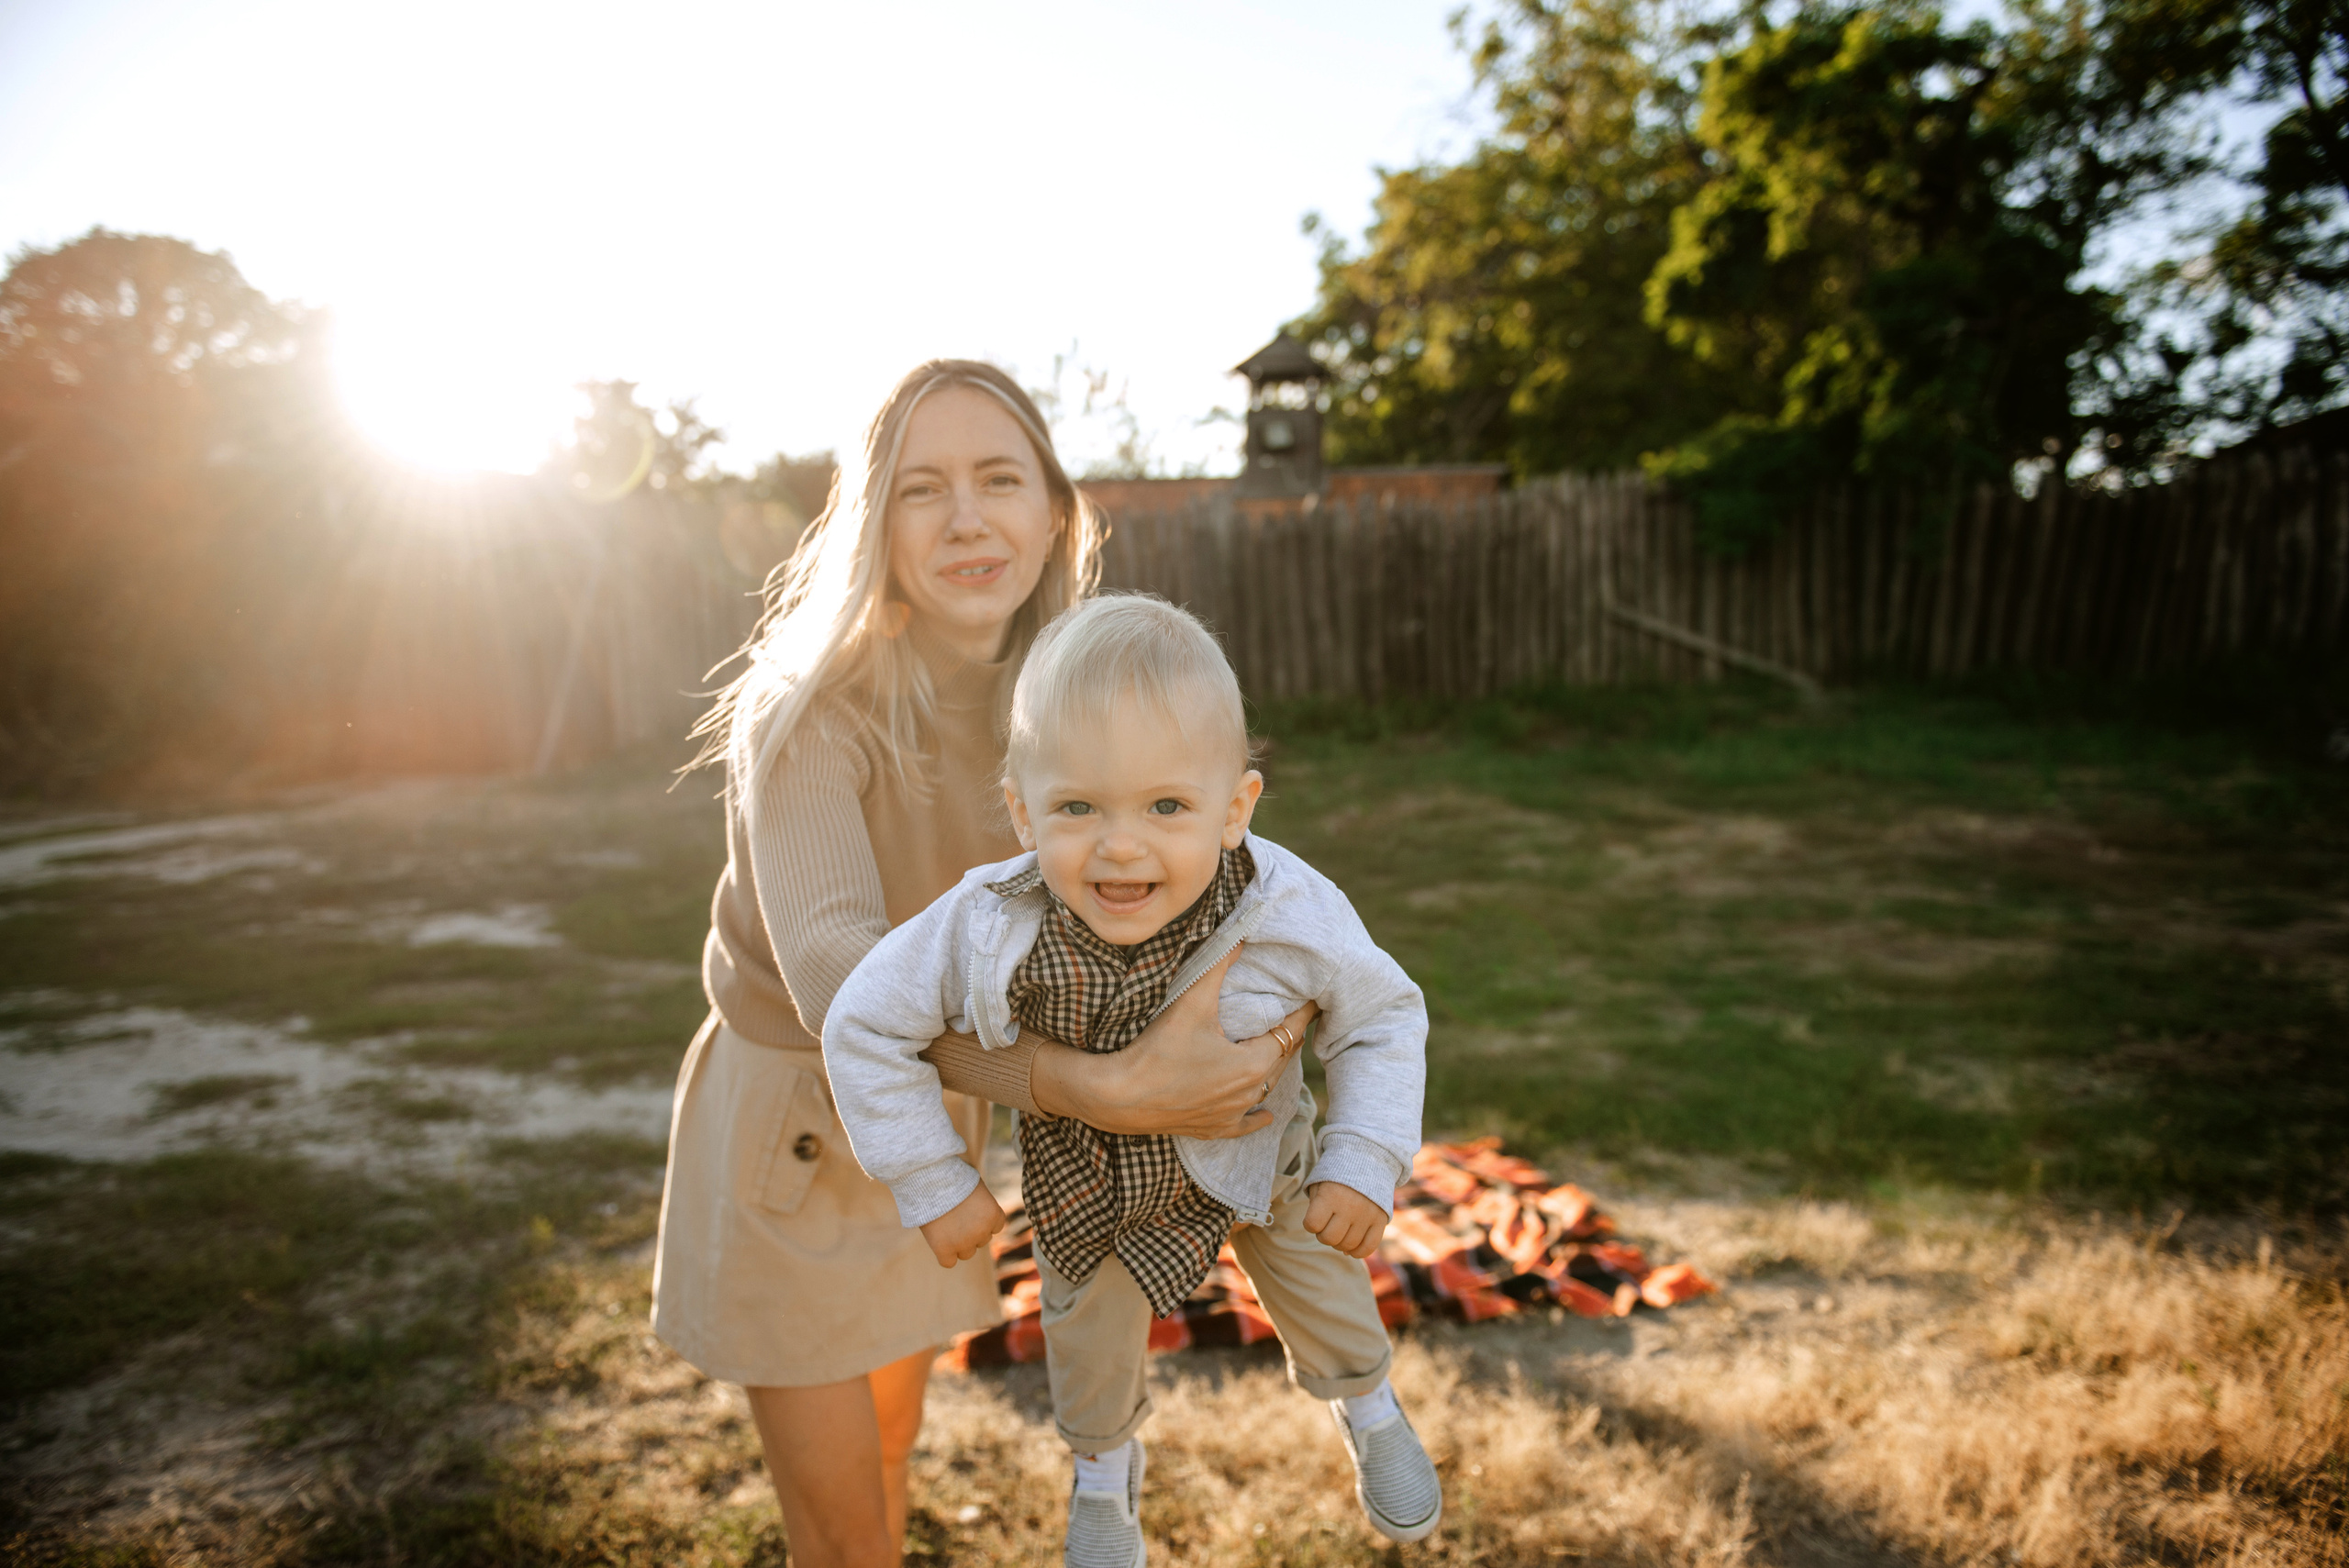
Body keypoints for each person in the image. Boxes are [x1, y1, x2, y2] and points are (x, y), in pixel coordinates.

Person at [651, 361, 1318, 1568]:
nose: (966, 518)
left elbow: (1150, 860)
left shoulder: (1060, 701)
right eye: (923, 489)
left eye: (999, 479)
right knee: (841, 1541)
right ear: (874, 521)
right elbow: (840, 979)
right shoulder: (809, 704)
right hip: (796, 1129)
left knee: (890, 1455)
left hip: (942, 1110)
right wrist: (1090, 1086)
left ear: (1055, 511)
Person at [823, 594, 1444, 1566]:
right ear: (1022, 810)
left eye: (1166, 806)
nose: (1121, 844)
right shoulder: (985, 919)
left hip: (1256, 1156)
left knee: (1325, 1281)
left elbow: (1382, 1014)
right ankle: (1104, 1474)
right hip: (1091, 1186)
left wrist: (1363, 1156)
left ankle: (1367, 1403)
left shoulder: (1287, 904)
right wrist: (932, 1177)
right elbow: (862, 1021)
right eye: (1078, 807)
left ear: (1234, 809)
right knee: (1087, 1347)